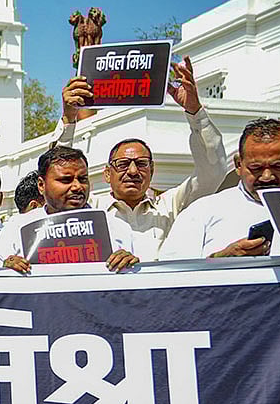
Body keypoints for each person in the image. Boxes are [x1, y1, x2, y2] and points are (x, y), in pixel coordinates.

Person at [56, 56, 226, 260]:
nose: (133, 171)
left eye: (142, 164)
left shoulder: (170, 205)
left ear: (152, 171)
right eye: (123, 164)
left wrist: (194, 111)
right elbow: (57, 170)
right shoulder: (89, 208)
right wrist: (68, 118)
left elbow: (213, 172)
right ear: (107, 174)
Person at [159, 118, 280, 260]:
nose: (266, 176)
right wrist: (221, 258)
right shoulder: (202, 211)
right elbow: (172, 273)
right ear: (238, 165)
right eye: (256, 168)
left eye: (279, 166)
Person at [0, 146, 140, 274]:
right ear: (41, 185)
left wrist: (129, 266)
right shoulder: (17, 228)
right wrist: (7, 269)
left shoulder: (117, 228)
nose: (77, 187)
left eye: (82, 179)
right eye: (66, 180)